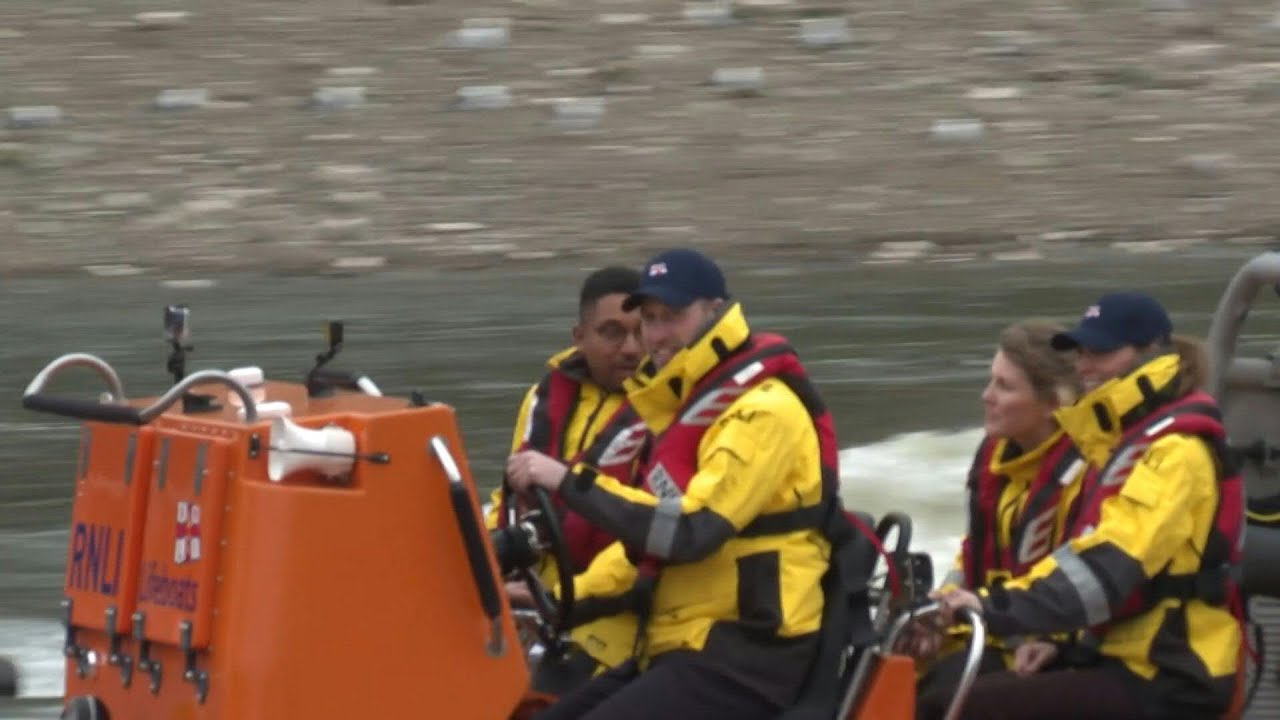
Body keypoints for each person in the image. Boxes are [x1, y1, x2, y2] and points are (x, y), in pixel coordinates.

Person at [505, 248, 841, 720]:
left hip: (747, 649)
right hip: (680, 640)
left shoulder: (764, 411)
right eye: (650, 319)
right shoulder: (682, 412)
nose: (656, 336)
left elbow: (690, 531)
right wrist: (554, 601)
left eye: (673, 317)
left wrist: (567, 481)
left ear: (716, 312)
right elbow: (643, 550)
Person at [934, 292, 1245, 720]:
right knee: (936, 694)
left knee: (967, 709)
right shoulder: (1122, 440)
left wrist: (990, 607)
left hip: (1170, 672)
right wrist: (1062, 643)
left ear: (1149, 353)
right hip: (1112, 652)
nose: (1084, 366)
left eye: (1101, 352)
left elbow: (1106, 570)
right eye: (1081, 352)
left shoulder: (1175, 451)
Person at [912, 320, 1087, 716]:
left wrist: (1058, 641)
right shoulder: (996, 457)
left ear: (1053, 403)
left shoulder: (1086, 473)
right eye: (991, 381)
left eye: (1005, 387)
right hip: (989, 631)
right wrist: (938, 611)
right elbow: (973, 556)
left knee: (939, 700)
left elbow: (1087, 578)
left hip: (1047, 649)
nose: (986, 396)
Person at [486, 265, 648, 672]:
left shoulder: (668, 415)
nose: (630, 348)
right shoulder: (543, 399)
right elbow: (507, 497)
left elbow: (649, 535)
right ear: (580, 337)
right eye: (612, 332)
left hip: (611, 611)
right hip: (532, 597)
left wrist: (558, 599)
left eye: (641, 331)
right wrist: (487, 555)